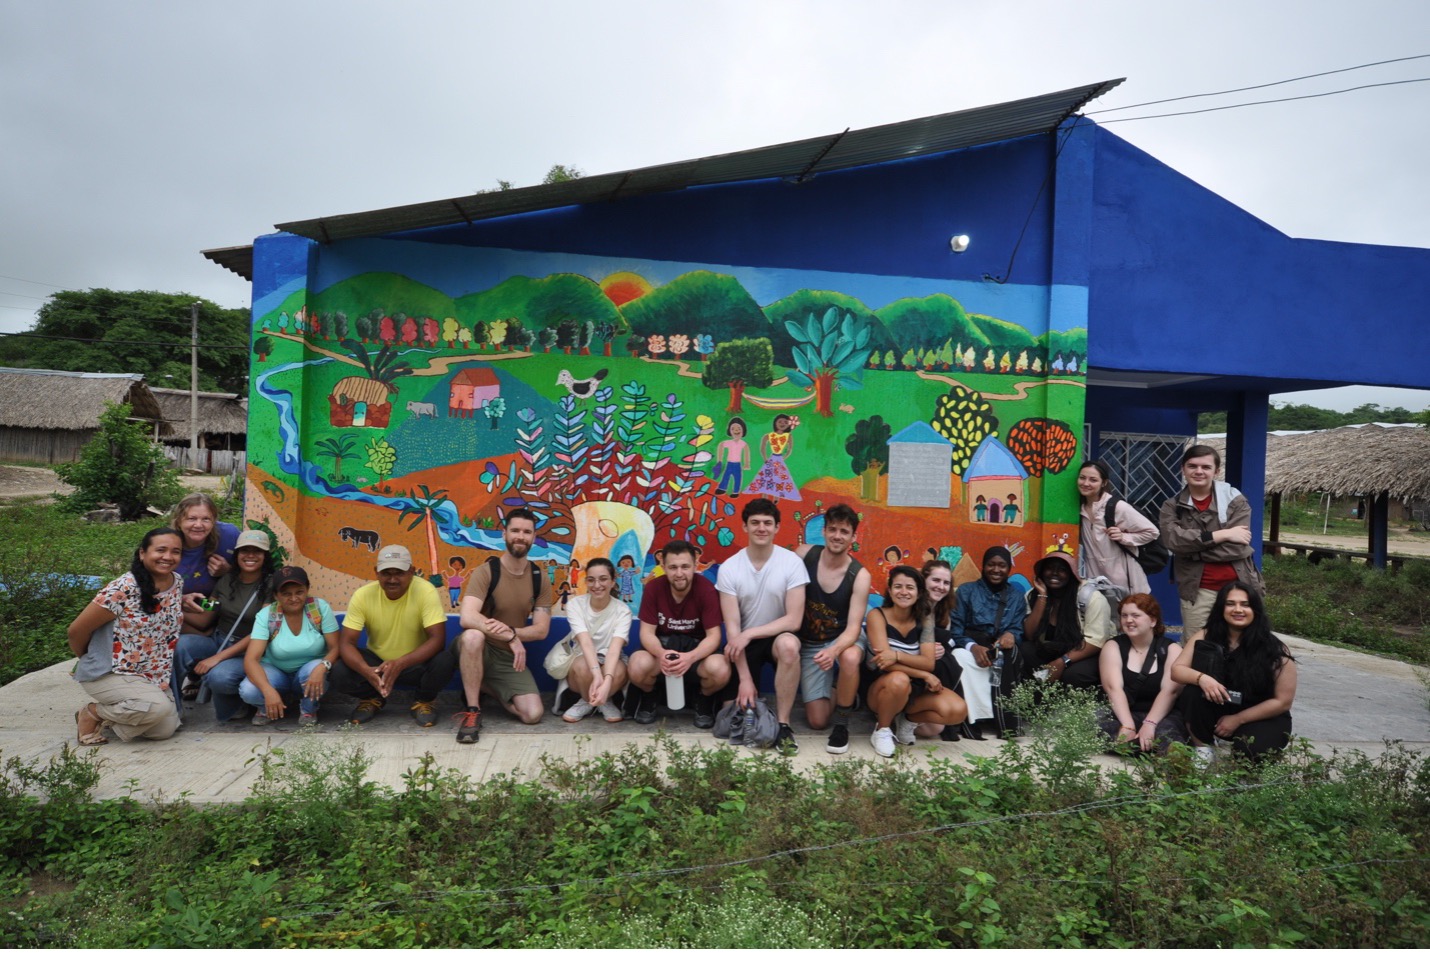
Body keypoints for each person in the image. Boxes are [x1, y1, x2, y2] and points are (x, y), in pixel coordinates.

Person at [68, 527, 186, 745]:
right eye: (160, 550)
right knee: (157, 709)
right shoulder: (123, 588)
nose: (168, 557)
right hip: (110, 671)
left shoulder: (176, 582)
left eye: (175, 551)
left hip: (149, 674)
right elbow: (76, 631)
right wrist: (88, 656)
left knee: (164, 729)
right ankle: (94, 713)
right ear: (142, 553)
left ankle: (117, 715)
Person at [717, 498, 808, 754]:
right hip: (744, 645)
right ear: (744, 527)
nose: (761, 528)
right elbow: (733, 630)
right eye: (755, 522)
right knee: (732, 718)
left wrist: (750, 633)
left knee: (790, 646)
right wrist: (744, 678)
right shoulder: (729, 568)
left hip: (778, 636)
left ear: (777, 527)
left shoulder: (791, 562)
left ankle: (783, 725)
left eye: (767, 523)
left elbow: (794, 620)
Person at [454, 508, 553, 742]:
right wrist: (509, 636)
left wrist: (512, 635)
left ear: (533, 537)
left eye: (527, 532)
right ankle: (472, 712)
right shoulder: (487, 572)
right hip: (479, 649)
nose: (521, 536)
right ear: (504, 534)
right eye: (515, 530)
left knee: (533, 714)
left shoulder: (540, 578)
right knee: (472, 636)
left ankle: (488, 687)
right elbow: (467, 617)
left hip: (508, 658)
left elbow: (541, 630)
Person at [332, 544, 455, 729]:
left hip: (415, 664)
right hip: (378, 666)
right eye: (386, 573)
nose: (392, 579)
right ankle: (371, 698)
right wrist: (366, 670)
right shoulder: (363, 595)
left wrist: (400, 663)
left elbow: (437, 639)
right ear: (376, 573)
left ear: (412, 571)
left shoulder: (426, 590)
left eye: (399, 573)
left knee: (446, 660)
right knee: (338, 670)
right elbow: (347, 642)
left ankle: (423, 701)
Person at [1172, 582, 1296, 761]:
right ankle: (1204, 750)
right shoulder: (1206, 635)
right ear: (1221, 608)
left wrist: (1238, 719)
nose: (1238, 609)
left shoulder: (1274, 648)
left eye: (1245, 605)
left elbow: (1283, 701)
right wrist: (1202, 678)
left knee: (1252, 751)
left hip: (1261, 714)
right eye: (1230, 604)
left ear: (1255, 609)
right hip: (1222, 703)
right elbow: (1177, 670)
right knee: (1192, 692)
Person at [1158, 445, 1264, 636]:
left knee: (1243, 645)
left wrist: (1192, 549)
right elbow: (1173, 542)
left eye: (1206, 467)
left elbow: (1237, 548)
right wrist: (1221, 535)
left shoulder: (1236, 501)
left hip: (1238, 586)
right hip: (1197, 590)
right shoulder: (1172, 506)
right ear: (1183, 469)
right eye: (1192, 466)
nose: (1199, 471)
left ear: (1216, 471)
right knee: (1198, 647)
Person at [171, 529, 275, 722]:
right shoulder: (226, 581)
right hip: (219, 640)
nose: (250, 555)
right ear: (237, 555)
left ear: (265, 556)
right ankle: (172, 707)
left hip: (248, 650)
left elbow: (261, 632)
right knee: (180, 646)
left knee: (219, 677)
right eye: (245, 551)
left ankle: (244, 700)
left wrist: (216, 658)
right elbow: (206, 616)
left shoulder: (271, 585)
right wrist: (174, 608)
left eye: (257, 551)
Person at [865, 567, 969, 757]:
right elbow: (883, 662)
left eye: (910, 588)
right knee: (899, 679)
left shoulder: (925, 618)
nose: (904, 592)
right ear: (889, 590)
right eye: (898, 586)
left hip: (915, 690)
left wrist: (897, 655)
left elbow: (928, 662)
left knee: (957, 710)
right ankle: (882, 730)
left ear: (919, 592)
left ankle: (907, 720)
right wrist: (923, 673)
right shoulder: (877, 616)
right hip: (881, 689)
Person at [794, 504, 872, 754]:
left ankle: (842, 724)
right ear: (824, 531)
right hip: (812, 642)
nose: (838, 536)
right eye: (833, 529)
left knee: (849, 657)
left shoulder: (859, 575)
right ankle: (844, 691)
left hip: (844, 638)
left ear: (853, 537)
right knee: (817, 721)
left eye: (844, 531)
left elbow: (853, 629)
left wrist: (835, 651)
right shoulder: (804, 555)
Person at [628, 541, 732, 728]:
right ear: (663, 567)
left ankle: (703, 699)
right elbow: (646, 633)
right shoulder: (653, 588)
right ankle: (650, 695)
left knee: (721, 668)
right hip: (662, 648)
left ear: (694, 565)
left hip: (696, 651)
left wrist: (690, 658)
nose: (679, 573)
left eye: (685, 567)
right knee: (637, 665)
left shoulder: (707, 590)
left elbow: (714, 636)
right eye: (673, 567)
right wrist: (661, 654)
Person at [238, 566, 340, 727]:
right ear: (276, 596)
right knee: (248, 690)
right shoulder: (267, 616)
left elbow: (335, 648)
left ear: (307, 589)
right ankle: (267, 708)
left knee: (316, 668)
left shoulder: (319, 609)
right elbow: (251, 659)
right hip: (276, 672)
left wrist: (323, 667)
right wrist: (267, 690)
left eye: (299, 592)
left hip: (308, 672)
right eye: (286, 594)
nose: (294, 598)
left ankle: (309, 709)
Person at [947, 546, 1028, 738]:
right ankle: (974, 721)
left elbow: (1017, 627)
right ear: (983, 567)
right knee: (958, 657)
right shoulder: (966, 591)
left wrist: (1011, 635)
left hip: (999, 649)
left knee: (1008, 655)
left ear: (1009, 569)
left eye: (1002, 565)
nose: (996, 570)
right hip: (970, 647)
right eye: (991, 565)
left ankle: (1005, 723)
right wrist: (973, 647)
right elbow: (956, 629)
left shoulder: (1016, 597)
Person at [1098, 594, 1187, 754]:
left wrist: (1150, 723)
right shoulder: (1113, 646)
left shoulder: (1172, 649)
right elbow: (1113, 689)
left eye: (1135, 615)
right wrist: (1127, 725)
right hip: (1125, 712)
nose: (1128, 620)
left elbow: (1170, 692)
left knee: (1168, 732)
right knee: (1103, 731)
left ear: (1153, 620)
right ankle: (1142, 747)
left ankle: (1170, 757)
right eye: (1124, 615)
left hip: (1161, 714)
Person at [546, 558, 632, 724]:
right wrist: (596, 674)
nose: (597, 585)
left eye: (603, 579)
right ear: (586, 582)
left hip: (610, 660)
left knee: (619, 671)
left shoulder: (623, 610)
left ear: (613, 582)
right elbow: (585, 642)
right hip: (582, 661)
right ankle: (588, 701)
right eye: (591, 580)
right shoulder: (575, 605)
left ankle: (604, 700)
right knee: (583, 666)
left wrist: (606, 680)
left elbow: (615, 648)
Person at [1021, 551, 1113, 691]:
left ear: (1072, 574)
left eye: (1062, 570)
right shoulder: (1033, 595)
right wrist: (1042, 597)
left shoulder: (1091, 598)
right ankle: (1036, 706)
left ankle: (1076, 710)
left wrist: (1062, 661)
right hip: (1054, 648)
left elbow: (1096, 641)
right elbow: (1029, 634)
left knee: (1074, 675)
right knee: (1026, 650)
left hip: (1086, 652)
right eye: (1050, 568)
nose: (1055, 573)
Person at [1077, 460, 1161, 594]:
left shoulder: (1116, 507)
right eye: (1082, 478)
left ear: (1103, 483)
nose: (1086, 483)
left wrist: (1124, 536)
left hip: (1127, 583)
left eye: (1093, 480)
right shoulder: (1079, 510)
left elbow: (1152, 532)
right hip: (1096, 582)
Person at [171, 493, 240, 634]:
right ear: (179, 521)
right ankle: (204, 635)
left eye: (206, 519)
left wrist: (229, 570)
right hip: (177, 607)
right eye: (191, 518)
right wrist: (179, 600)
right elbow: (148, 588)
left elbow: (255, 572)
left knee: (207, 616)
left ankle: (210, 632)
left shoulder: (230, 535)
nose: (198, 525)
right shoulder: (167, 545)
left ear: (214, 521)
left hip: (215, 604)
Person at [919, 559, 967, 741]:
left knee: (934, 728)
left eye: (946, 583)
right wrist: (924, 651)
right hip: (910, 669)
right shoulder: (911, 606)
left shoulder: (942, 609)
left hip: (934, 668)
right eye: (936, 580)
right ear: (924, 580)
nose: (941, 586)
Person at [746, 413, 800, 500]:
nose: (782, 424)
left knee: (778, 478)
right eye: (780, 422)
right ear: (775, 423)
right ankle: (765, 496)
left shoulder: (788, 436)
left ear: (789, 424)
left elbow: (790, 449)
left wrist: (784, 458)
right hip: (771, 459)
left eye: (785, 422)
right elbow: (762, 447)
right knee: (766, 477)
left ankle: (776, 497)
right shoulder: (769, 435)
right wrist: (765, 458)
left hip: (779, 459)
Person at [713, 417, 751, 497]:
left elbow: (746, 453)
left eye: (739, 428)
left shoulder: (743, 443)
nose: (736, 431)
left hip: (737, 464)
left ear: (743, 430)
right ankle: (722, 488)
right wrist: (719, 460)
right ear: (730, 431)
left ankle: (736, 492)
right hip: (729, 463)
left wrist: (747, 463)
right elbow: (720, 446)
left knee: (738, 478)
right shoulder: (729, 442)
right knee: (726, 475)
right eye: (733, 429)